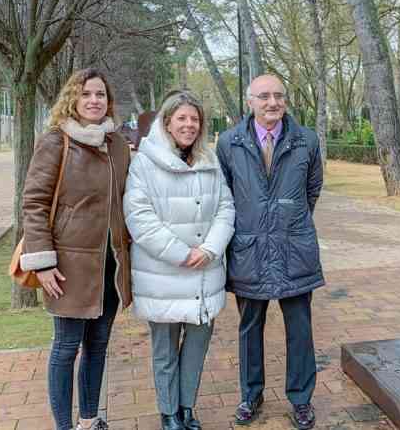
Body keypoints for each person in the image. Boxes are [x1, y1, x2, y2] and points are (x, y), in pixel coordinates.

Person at [20, 68, 132, 430]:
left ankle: (89, 419)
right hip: (67, 265)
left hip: (109, 263)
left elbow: (126, 199)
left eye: (100, 94)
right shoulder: (56, 141)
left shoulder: (117, 144)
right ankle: (63, 426)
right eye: (86, 94)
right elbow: (34, 202)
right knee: (66, 348)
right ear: (73, 99)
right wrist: (42, 263)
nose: (94, 100)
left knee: (97, 347)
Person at [216, 75, 324, 430]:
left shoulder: (305, 140)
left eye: (278, 95)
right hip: (249, 250)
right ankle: (251, 394)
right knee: (249, 328)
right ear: (250, 101)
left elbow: (312, 189)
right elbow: (225, 195)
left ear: (286, 100)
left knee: (300, 329)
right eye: (264, 96)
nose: (272, 102)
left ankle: (301, 399)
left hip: (294, 249)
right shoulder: (229, 142)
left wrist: (287, 221)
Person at [124, 91, 235, 430]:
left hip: (205, 272)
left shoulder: (210, 161)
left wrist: (210, 249)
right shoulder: (144, 162)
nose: (189, 125)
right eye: (182, 118)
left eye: (195, 119)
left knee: (196, 349)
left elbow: (225, 208)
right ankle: (169, 411)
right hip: (163, 274)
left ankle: (187, 407)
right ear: (168, 122)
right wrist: (181, 253)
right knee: (165, 350)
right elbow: (139, 216)